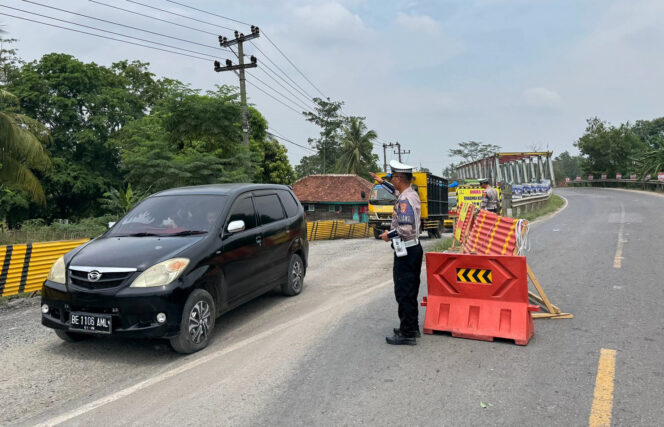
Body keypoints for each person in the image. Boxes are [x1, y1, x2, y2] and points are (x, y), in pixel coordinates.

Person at [369, 160, 423, 346]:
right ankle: (411, 327)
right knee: (410, 290)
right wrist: (380, 181)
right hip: (413, 249)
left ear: (399, 178)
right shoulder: (410, 194)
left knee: (404, 291)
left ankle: (407, 333)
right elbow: (394, 191)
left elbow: (406, 228)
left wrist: (387, 234)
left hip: (406, 251)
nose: (392, 179)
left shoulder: (405, 200)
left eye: (393, 177)